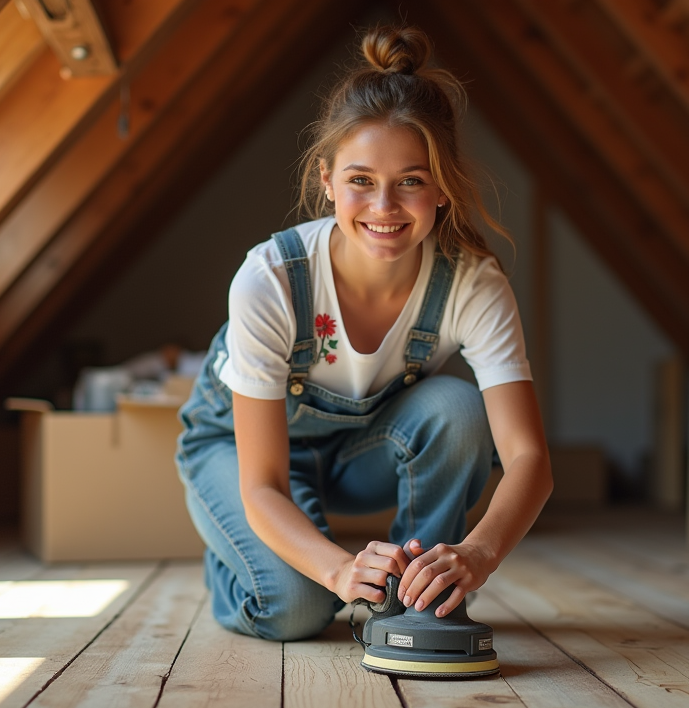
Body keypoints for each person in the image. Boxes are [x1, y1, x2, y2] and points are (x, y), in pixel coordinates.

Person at [176, 24, 551, 641]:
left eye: (411, 180)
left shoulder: (472, 285)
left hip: (360, 453)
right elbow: (264, 483)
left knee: (457, 409)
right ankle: (239, 563)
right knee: (298, 609)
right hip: (244, 456)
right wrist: (341, 570)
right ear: (326, 180)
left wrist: (476, 556)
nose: (384, 207)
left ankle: (419, 596)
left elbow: (530, 458)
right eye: (360, 181)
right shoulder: (269, 280)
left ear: (442, 187)